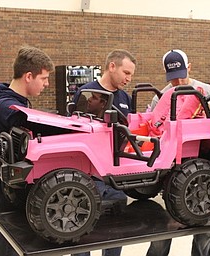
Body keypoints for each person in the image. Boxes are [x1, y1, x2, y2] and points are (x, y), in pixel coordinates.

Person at [146, 49, 210, 256]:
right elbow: (152, 127)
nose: (179, 81)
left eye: (182, 74)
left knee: (203, 228)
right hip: (171, 170)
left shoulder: (206, 90)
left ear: (189, 67)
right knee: (163, 231)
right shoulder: (163, 96)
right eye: (173, 78)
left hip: (201, 167)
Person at [0, 46, 54, 256]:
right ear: (29, 76)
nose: (47, 84)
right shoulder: (6, 105)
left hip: (9, 187)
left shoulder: (15, 100)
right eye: (44, 78)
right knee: (7, 249)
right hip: (1, 190)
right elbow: (25, 119)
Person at [72, 49, 137, 256]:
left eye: (131, 75)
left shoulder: (126, 97)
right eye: (126, 73)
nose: (129, 78)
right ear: (111, 66)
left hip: (117, 177)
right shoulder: (86, 93)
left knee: (115, 232)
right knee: (81, 230)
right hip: (89, 176)